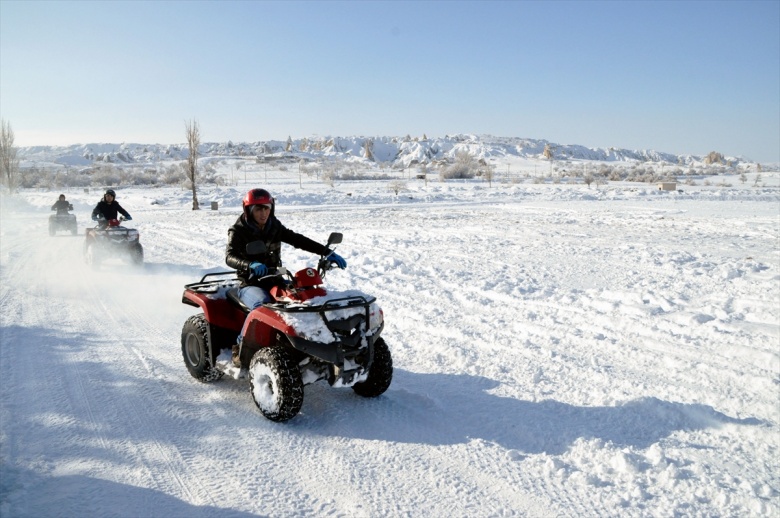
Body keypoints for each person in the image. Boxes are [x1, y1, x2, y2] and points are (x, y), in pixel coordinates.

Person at [225, 188, 347, 366]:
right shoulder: (238, 230)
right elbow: (229, 256)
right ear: (248, 210)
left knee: (303, 298)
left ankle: (310, 342)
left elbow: (297, 239)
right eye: (258, 209)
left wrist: (326, 252)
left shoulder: (273, 226)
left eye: (266, 208)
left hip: (275, 279)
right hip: (250, 283)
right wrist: (249, 265)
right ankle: (240, 347)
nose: (263, 213)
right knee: (262, 305)